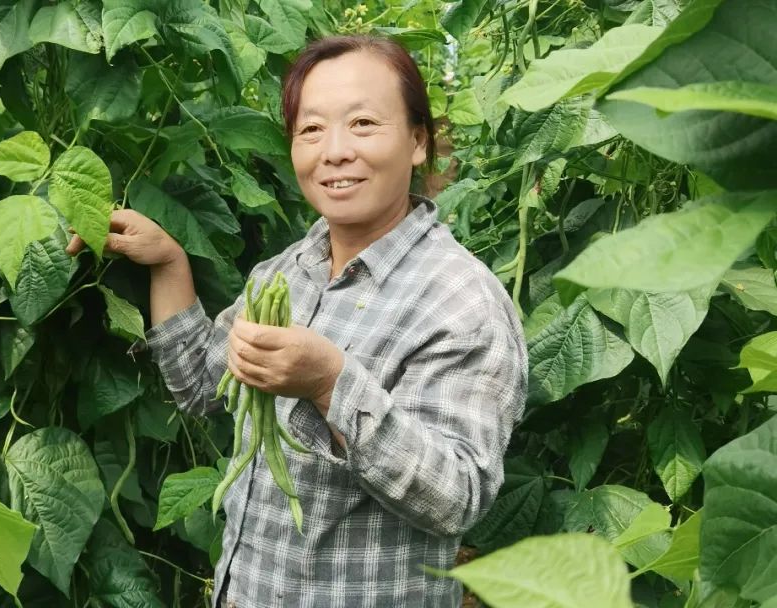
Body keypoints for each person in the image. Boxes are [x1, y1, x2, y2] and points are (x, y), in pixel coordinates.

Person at [67, 35, 527, 608]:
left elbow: (456, 497)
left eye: (362, 123)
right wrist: (168, 261)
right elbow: (203, 389)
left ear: (417, 140)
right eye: (311, 130)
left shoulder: (461, 300)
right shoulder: (286, 272)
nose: (333, 151)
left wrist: (330, 383)